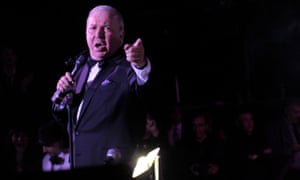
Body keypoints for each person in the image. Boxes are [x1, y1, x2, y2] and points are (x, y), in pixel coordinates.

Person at [51, 4, 152, 171]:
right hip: (79, 164)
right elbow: (64, 116)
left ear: (121, 34)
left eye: (106, 28)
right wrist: (62, 95)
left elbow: (144, 84)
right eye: (92, 28)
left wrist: (141, 64)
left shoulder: (127, 67)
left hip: (113, 165)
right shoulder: (81, 66)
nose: (97, 35)